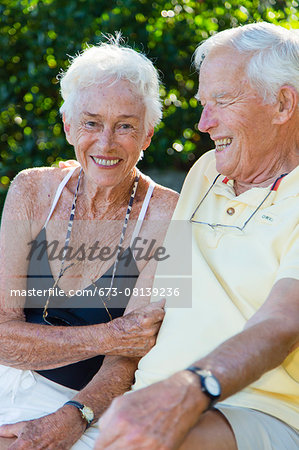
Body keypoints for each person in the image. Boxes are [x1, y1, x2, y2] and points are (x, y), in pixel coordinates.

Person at [94, 22, 299, 449]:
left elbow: (282, 322)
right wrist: (78, 409)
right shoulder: (207, 172)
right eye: (203, 103)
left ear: (282, 103)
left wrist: (190, 389)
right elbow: (157, 305)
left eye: (221, 101)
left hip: (258, 411)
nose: (204, 123)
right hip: (151, 404)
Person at [0, 37, 178, 449]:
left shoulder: (171, 217)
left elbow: (132, 359)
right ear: (68, 127)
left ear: (148, 135)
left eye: (126, 126)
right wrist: (112, 335)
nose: (106, 143)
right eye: (91, 122)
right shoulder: (31, 190)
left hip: (83, 406)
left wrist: (73, 417)